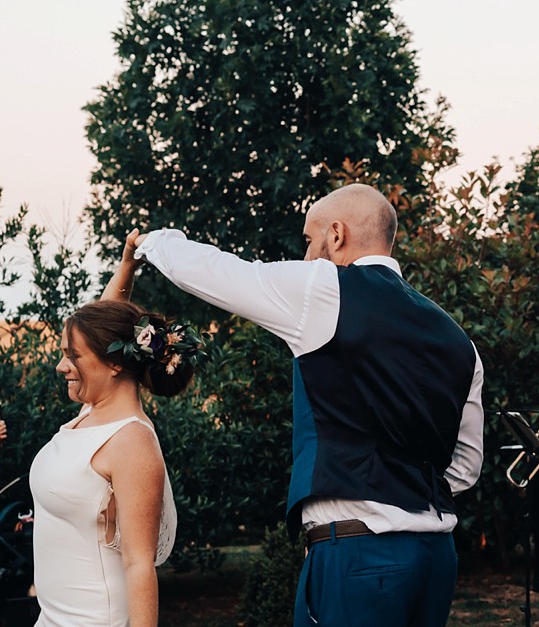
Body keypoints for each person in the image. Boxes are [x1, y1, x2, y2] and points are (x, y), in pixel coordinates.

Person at [132, 183, 484, 627]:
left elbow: (222, 274)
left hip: (358, 556)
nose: (304, 256)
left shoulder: (325, 287)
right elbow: (465, 468)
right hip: (435, 558)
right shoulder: (458, 339)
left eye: (307, 239)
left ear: (335, 235)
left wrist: (155, 241)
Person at [30, 234, 198, 627]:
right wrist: (127, 266)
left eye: (73, 356)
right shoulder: (92, 411)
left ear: (115, 364)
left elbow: (140, 565)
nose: (61, 366)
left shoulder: (132, 442)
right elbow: (107, 318)